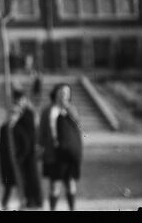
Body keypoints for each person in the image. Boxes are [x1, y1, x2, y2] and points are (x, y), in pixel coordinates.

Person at [38, 82, 82, 211]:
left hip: (68, 152)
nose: (64, 95)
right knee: (55, 184)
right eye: (62, 92)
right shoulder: (48, 110)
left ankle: (72, 208)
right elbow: (42, 132)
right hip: (54, 152)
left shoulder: (71, 109)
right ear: (56, 93)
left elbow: (78, 127)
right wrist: (40, 148)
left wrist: (68, 109)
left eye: (67, 93)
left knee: (70, 183)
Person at [0, 88, 43, 210]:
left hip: (25, 154)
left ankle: (30, 201)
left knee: (25, 180)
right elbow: (1, 146)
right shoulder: (4, 128)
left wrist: (23, 154)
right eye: (11, 113)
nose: (13, 115)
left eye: (15, 113)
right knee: (8, 183)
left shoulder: (28, 114)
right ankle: (5, 203)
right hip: (8, 160)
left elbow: (29, 138)